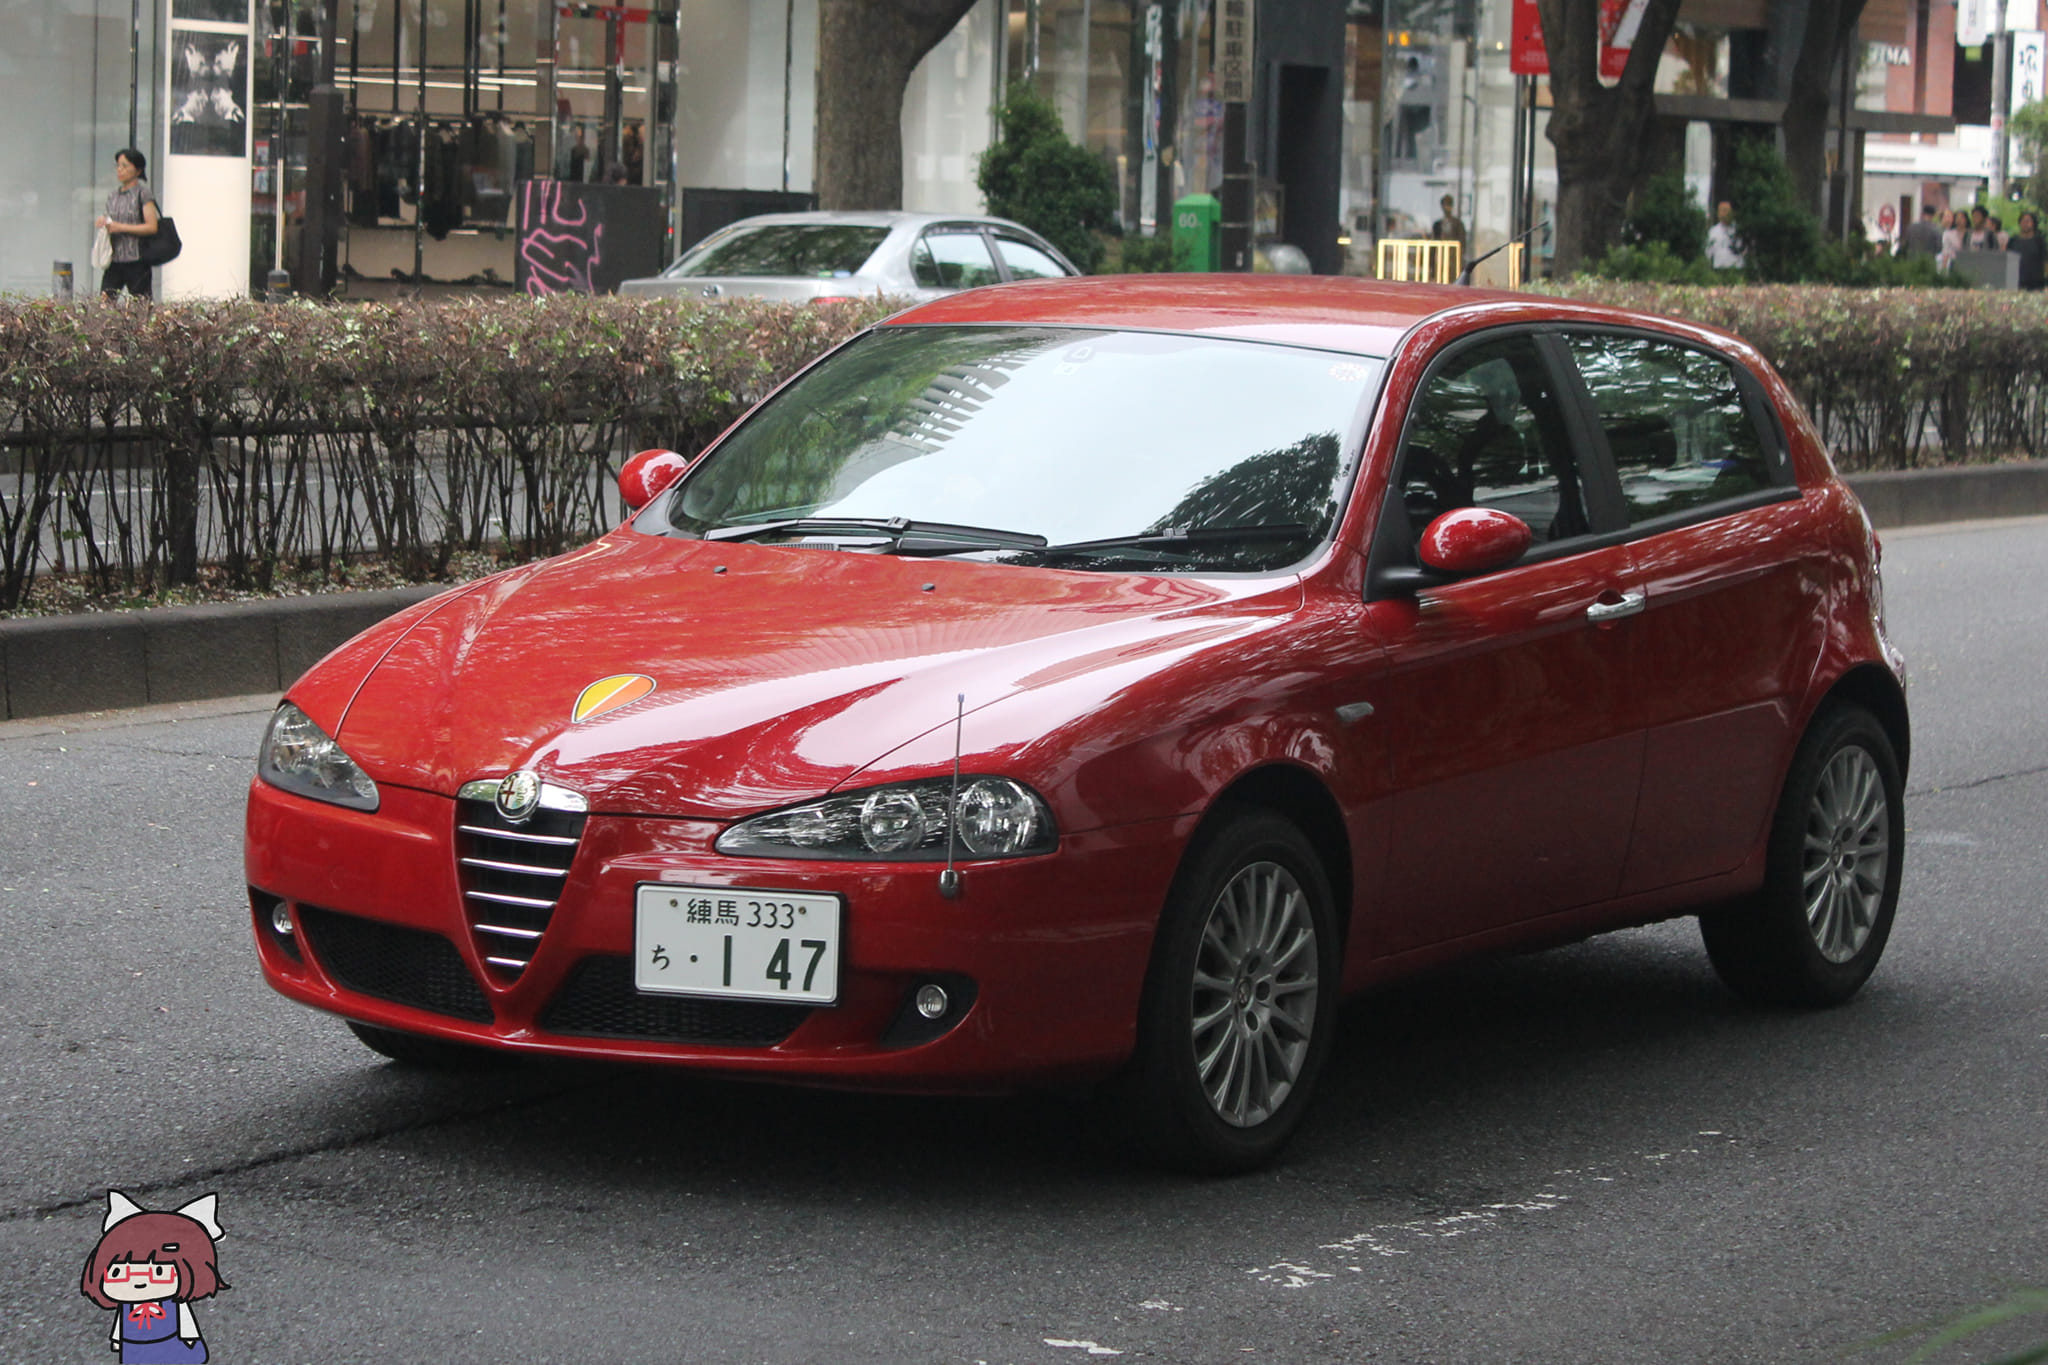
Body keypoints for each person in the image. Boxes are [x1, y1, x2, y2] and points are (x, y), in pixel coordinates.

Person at [80, 1191, 227, 1363]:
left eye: (158, 1273)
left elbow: (185, 1318)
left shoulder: (172, 1302)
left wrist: (189, 1336)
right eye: (118, 1274)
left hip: (170, 1343)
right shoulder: (128, 1305)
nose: (140, 1282)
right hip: (134, 1345)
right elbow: (120, 1322)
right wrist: (118, 1339)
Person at [94, 147, 159, 299]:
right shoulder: (113, 195)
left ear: (137, 170)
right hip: (114, 259)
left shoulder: (143, 194)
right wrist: (104, 221)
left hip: (137, 260)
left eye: (125, 166)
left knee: (141, 305)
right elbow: (110, 217)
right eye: (118, 165)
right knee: (105, 302)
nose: (120, 170)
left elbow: (152, 226)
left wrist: (120, 227)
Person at [1705, 200, 1745, 270]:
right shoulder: (1713, 231)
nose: (1723, 213)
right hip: (1719, 270)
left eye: (1726, 210)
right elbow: (1708, 252)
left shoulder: (1739, 230)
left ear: (1732, 212)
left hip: (1736, 269)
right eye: (1721, 211)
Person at [2011, 210, 2046, 290]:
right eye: (2023, 221)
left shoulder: (2039, 241)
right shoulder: (2013, 240)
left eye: (2028, 221)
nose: (2025, 224)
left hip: (2036, 283)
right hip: (2017, 281)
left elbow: (2045, 261)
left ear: (2033, 223)